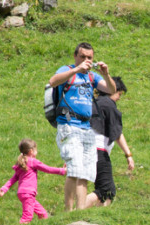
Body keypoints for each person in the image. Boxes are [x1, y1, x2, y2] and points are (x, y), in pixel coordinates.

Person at [49, 42, 116, 211]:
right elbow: (53, 81)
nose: (86, 60)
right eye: (82, 57)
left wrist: (106, 74)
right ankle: (68, 210)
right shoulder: (67, 70)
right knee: (74, 168)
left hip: (87, 128)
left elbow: (110, 89)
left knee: (86, 171)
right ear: (75, 57)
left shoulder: (92, 77)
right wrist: (76, 70)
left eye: (89, 57)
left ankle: (79, 211)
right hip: (69, 125)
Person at [84, 76, 135, 208]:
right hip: (98, 150)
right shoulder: (108, 104)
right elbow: (117, 133)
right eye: (119, 93)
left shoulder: (94, 103)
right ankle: (77, 211)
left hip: (86, 148)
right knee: (106, 190)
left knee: (103, 188)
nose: (119, 98)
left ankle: (86, 212)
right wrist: (128, 155)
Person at [0, 138, 66, 223]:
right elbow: (47, 169)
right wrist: (61, 170)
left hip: (23, 193)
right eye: (36, 149)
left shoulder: (22, 163)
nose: (37, 151)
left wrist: (4, 189)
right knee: (27, 217)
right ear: (31, 151)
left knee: (43, 214)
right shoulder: (32, 162)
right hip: (28, 193)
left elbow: (14, 178)